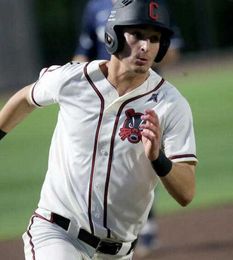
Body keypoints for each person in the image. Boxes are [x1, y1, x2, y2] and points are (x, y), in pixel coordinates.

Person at [0, 0, 197, 259]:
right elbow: (27, 97)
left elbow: (186, 192)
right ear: (113, 35)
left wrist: (158, 159)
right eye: (136, 35)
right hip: (56, 233)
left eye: (154, 38)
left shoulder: (171, 105)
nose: (145, 46)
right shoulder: (73, 80)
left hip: (118, 252)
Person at [73, 0, 184, 255]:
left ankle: (143, 230)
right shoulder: (94, 6)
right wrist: (77, 84)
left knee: (140, 159)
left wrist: (143, 53)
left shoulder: (153, 5)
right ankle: (91, 225)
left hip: (142, 96)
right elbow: (83, 50)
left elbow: (173, 49)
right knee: (97, 162)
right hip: (101, 99)